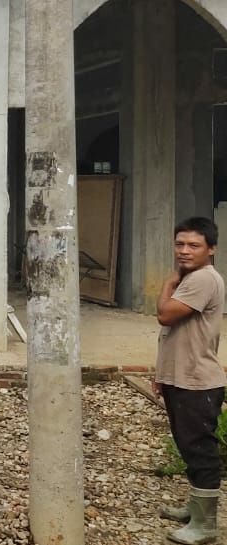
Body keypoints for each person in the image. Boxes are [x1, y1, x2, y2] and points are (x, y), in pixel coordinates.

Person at [154, 217, 226, 544]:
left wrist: (168, 283)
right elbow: (173, 336)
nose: (184, 250)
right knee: (188, 446)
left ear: (211, 249)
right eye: (180, 244)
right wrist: (162, 375)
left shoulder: (202, 279)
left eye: (194, 245)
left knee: (200, 451)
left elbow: (165, 315)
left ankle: (205, 525)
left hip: (197, 381)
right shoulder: (193, 277)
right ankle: (195, 510)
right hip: (181, 376)